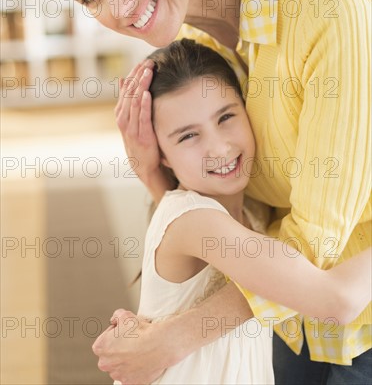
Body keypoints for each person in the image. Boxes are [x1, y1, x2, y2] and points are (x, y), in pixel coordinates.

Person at [33, 0, 371, 385]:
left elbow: (314, 250)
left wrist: (175, 338)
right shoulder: (203, 55)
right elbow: (237, 225)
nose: (117, 6)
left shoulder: (324, 9)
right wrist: (157, 177)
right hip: (284, 329)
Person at [111, 38, 369, 385]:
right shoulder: (194, 221)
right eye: (188, 136)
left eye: (226, 116)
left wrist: (150, 171)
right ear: (163, 154)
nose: (219, 147)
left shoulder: (250, 211)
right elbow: (337, 301)